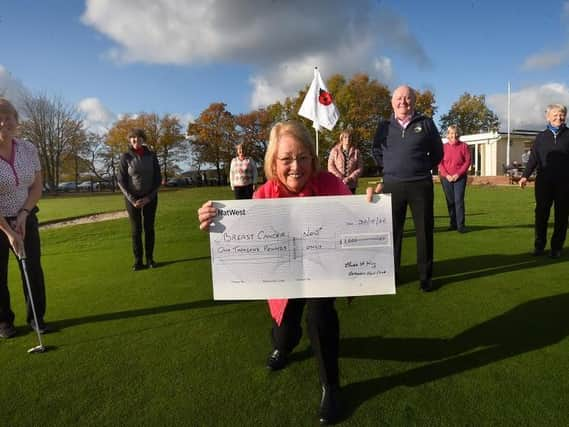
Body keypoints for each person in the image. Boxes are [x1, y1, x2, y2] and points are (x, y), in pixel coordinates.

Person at [198, 121, 351, 424]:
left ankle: (330, 387)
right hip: (284, 282)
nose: (296, 167)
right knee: (286, 334)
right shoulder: (263, 196)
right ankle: (283, 346)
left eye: (303, 157)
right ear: (273, 162)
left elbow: (356, 217)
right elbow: (245, 247)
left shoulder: (331, 185)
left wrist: (371, 205)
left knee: (322, 317)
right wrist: (214, 222)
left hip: (322, 273)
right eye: (286, 159)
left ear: (313, 158)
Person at [370, 85, 444, 292]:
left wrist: (421, 168)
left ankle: (425, 277)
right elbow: (376, 149)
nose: (403, 101)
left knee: (424, 231)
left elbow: (438, 152)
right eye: (399, 98)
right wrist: (387, 169)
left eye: (408, 98)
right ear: (392, 102)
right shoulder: (383, 126)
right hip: (392, 185)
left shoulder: (426, 123)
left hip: (420, 184)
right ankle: (392, 275)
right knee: (392, 233)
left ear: (414, 101)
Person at [0, 98, 49, 338]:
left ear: (16, 121)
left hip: (26, 215)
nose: (3, 122)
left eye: (8, 117)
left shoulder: (28, 148)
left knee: (32, 269)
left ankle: (37, 318)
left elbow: (37, 186)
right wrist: (8, 231)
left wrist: (23, 214)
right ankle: (4, 322)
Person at [519, 104, 569, 259]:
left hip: (565, 183)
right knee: (541, 214)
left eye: (561, 114)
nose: (558, 117)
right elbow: (533, 158)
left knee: (562, 216)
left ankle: (556, 247)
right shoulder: (541, 137)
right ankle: (539, 245)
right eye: (555, 114)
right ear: (547, 117)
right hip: (544, 182)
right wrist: (524, 176)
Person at [118, 128, 162, 271]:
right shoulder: (125, 157)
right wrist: (132, 199)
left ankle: (150, 259)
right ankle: (138, 261)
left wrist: (148, 197)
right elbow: (121, 181)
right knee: (136, 230)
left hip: (150, 197)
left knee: (149, 228)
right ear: (130, 140)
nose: (136, 141)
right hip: (132, 199)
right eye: (133, 138)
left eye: (138, 138)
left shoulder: (152, 156)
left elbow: (158, 179)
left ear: (143, 140)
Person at [438, 125, 471, 233]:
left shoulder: (464, 146)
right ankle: (453, 223)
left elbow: (467, 162)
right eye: (451, 133)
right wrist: (446, 175)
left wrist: (458, 174)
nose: (454, 135)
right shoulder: (443, 147)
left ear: (458, 134)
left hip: (460, 178)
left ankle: (461, 225)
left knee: (458, 201)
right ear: (447, 135)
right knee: (450, 201)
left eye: (455, 133)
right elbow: (440, 163)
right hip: (445, 178)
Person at [327, 129, 363, 194]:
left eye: (349, 137)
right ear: (341, 138)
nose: (348, 139)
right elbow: (330, 166)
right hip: (337, 182)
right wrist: (341, 177)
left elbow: (360, 168)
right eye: (345, 137)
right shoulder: (334, 151)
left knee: (350, 202)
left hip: (351, 184)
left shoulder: (357, 152)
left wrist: (350, 178)